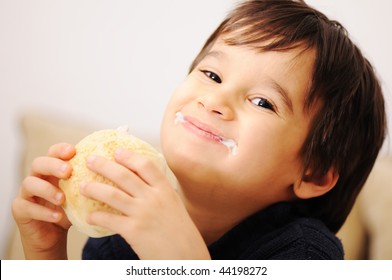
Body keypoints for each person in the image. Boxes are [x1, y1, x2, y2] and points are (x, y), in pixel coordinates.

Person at [12, 0, 386, 260]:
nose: (214, 100)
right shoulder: (118, 238)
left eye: (262, 102)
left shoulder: (304, 253)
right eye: (211, 74)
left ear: (314, 172)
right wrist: (45, 253)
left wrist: (181, 259)